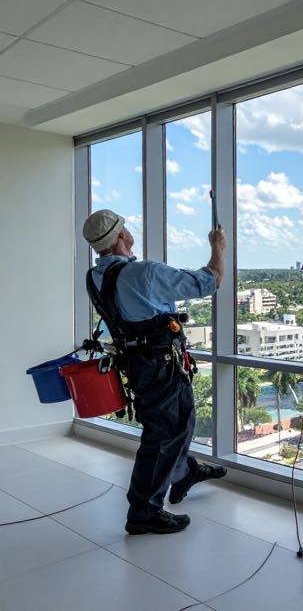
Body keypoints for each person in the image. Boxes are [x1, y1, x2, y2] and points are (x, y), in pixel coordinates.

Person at [82, 209, 227, 535]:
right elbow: (210, 280)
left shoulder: (96, 277)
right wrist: (218, 248)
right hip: (160, 364)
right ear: (121, 236)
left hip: (138, 365)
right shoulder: (142, 274)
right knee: (163, 433)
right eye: (125, 227)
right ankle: (144, 511)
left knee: (178, 421)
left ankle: (183, 472)